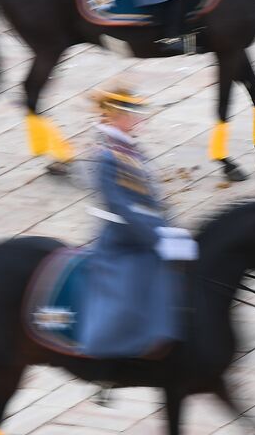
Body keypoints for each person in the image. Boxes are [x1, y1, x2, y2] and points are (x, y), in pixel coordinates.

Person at [80, 82, 196, 359]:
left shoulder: (131, 149)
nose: (137, 120)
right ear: (116, 117)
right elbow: (120, 206)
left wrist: (169, 227)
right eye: (131, 115)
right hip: (121, 235)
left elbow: (151, 196)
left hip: (144, 229)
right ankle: (117, 346)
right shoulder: (104, 155)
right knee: (139, 274)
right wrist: (156, 238)